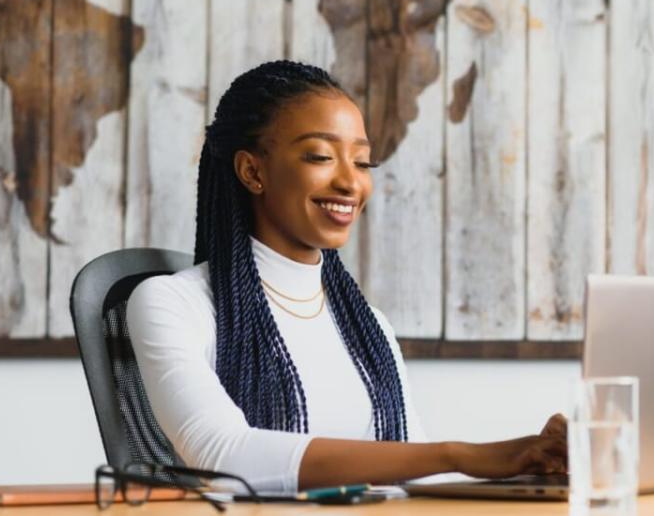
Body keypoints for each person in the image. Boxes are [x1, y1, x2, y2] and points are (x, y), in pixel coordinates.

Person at [126, 60, 566, 493]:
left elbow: (415, 475)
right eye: (320, 156)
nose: (350, 183)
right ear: (253, 171)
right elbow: (223, 456)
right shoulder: (172, 304)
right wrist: (458, 454)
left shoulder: (368, 325)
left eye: (362, 163)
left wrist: (530, 465)